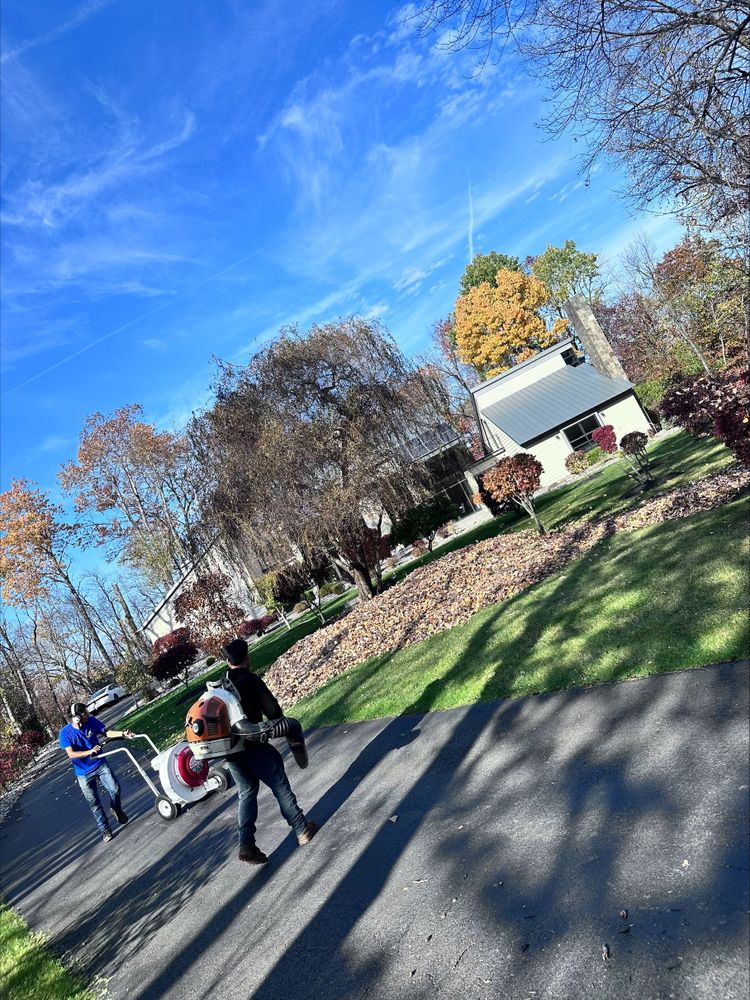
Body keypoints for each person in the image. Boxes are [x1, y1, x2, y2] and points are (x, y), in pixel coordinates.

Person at [223, 638, 317, 865]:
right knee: (279, 785)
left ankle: (246, 843)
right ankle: (302, 829)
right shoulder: (250, 680)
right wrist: (277, 722)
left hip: (231, 751)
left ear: (227, 661)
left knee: (246, 792)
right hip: (253, 745)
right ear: (247, 658)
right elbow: (274, 711)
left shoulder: (222, 685)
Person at [59, 703, 134, 843]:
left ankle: (116, 808)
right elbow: (71, 754)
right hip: (83, 773)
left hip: (100, 764)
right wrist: (89, 751)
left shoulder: (92, 721)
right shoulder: (65, 733)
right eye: (85, 713)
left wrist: (123, 733)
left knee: (115, 789)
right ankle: (105, 829)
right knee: (94, 803)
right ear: (76, 718)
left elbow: (106, 732)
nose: (88, 714)